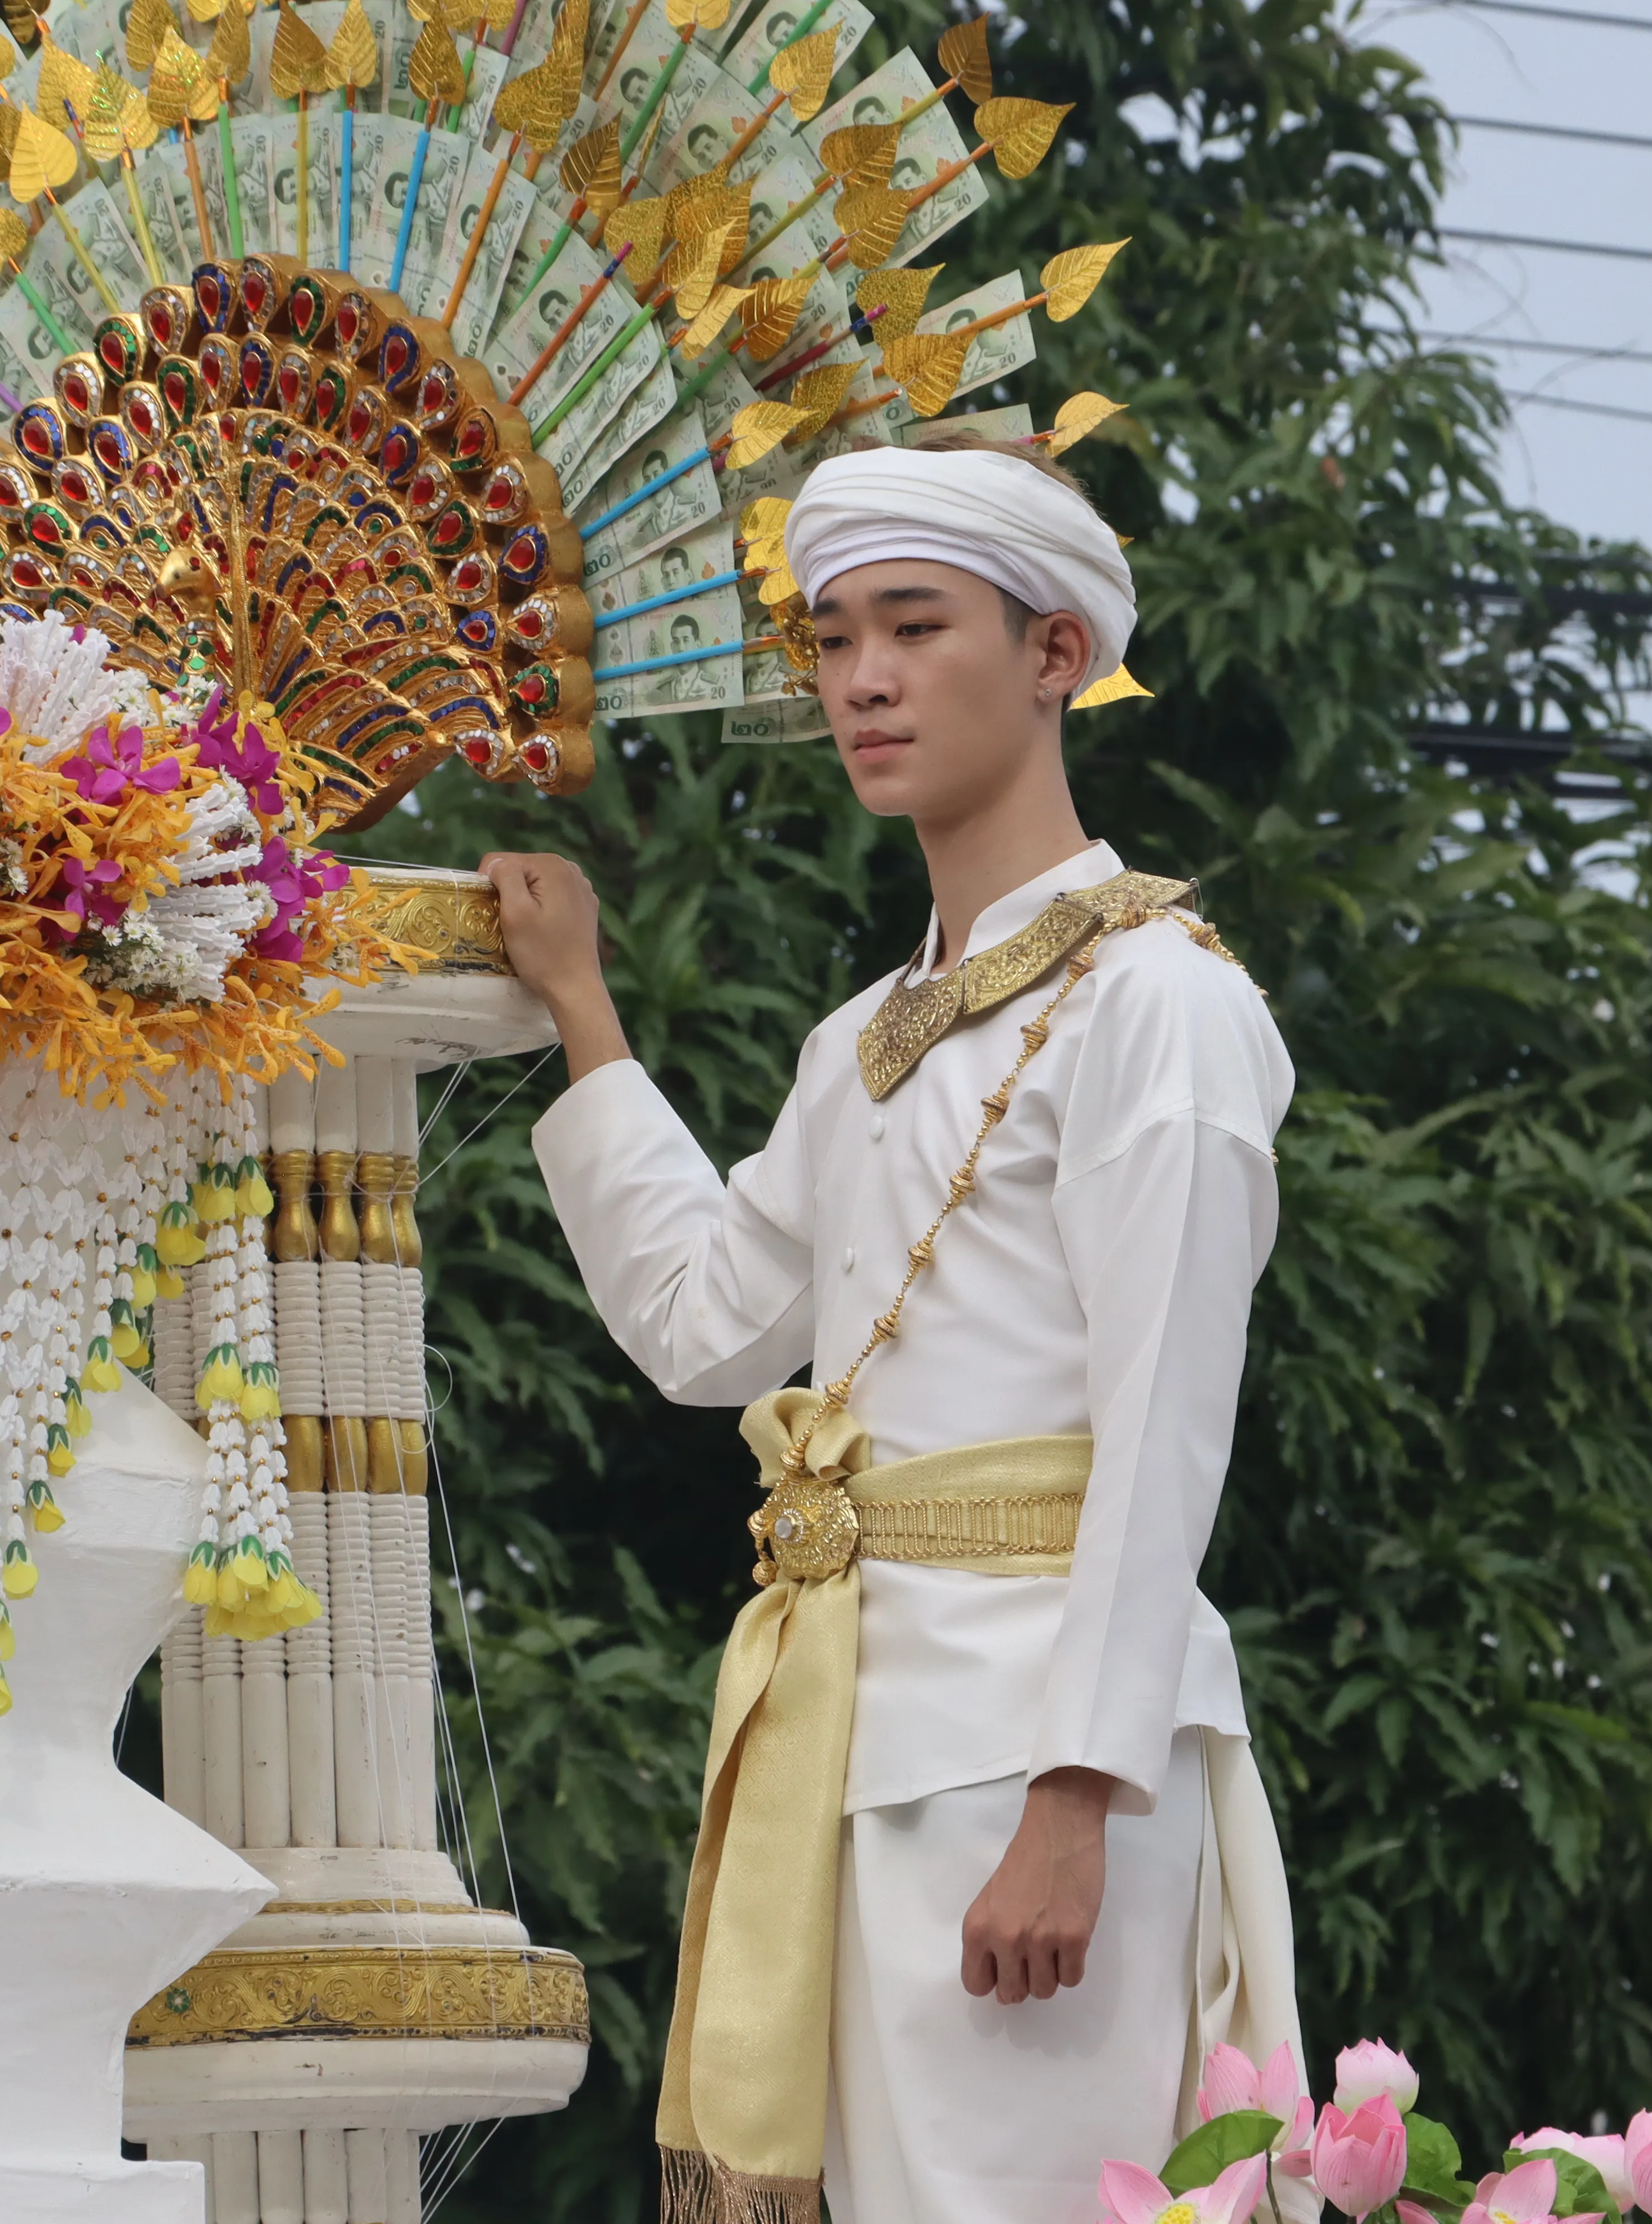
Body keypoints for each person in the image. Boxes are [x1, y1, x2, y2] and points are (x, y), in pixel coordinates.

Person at [481, 434, 1302, 2224]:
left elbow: (1172, 1421)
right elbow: (704, 1334)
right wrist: (583, 1012)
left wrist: (1082, 1800)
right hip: (851, 1731)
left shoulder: (1158, 1002)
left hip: (1047, 1763)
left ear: (1057, 653)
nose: (861, 678)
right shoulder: (868, 1039)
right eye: (834, 637)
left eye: (913, 626)